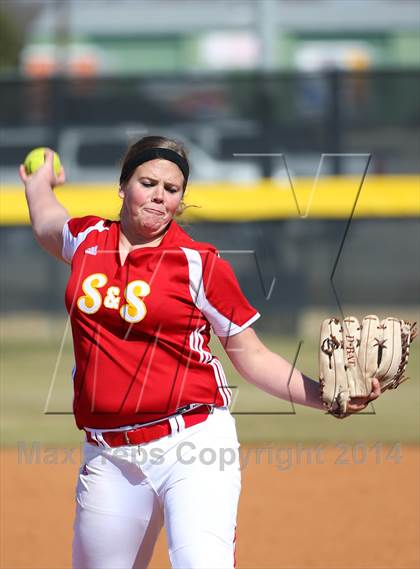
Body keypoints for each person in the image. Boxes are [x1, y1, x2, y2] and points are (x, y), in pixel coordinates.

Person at [20, 136, 381, 569]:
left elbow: (251, 356)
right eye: (148, 182)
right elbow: (46, 220)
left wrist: (322, 396)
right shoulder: (86, 240)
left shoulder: (198, 264)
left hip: (191, 443)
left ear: (181, 199)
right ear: (122, 187)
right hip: (109, 454)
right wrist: (37, 182)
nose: (159, 195)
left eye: (171, 189)